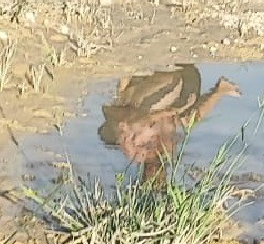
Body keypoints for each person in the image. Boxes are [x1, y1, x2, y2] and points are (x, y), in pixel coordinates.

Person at [97, 64, 241, 185]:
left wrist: (167, 112)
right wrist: (175, 114)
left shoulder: (135, 153)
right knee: (188, 119)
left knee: (174, 92)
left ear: (143, 176)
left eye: (153, 178)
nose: (156, 174)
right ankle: (220, 89)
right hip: (165, 99)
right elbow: (174, 124)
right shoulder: (167, 151)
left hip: (144, 102)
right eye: (160, 178)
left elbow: (131, 120)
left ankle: (131, 72)